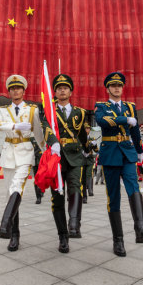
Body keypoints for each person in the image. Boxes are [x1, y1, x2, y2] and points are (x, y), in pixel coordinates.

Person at [0, 74, 57, 252]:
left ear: (23, 90)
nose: (15, 91)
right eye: (12, 88)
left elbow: (39, 134)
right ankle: (15, 235)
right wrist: (14, 126)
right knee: (10, 193)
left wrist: (46, 152)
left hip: (26, 152)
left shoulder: (32, 109)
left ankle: (5, 225)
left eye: (18, 88)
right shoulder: (3, 110)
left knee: (18, 186)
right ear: (9, 91)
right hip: (9, 152)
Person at [95, 72, 143, 257]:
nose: (116, 88)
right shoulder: (101, 106)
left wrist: (139, 149)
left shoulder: (130, 106)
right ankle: (118, 240)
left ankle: (141, 229)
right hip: (110, 153)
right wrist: (124, 119)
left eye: (119, 85)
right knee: (113, 196)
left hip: (128, 152)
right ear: (108, 88)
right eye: (113, 86)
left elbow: (135, 130)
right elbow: (102, 121)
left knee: (133, 187)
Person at [40, 74, 88, 250]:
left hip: (75, 156)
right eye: (59, 88)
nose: (62, 90)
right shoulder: (48, 112)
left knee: (76, 188)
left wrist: (89, 149)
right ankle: (62, 236)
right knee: (57, 199)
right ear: (55, 91)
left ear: (71, 91)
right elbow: (45, 128)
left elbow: (82, 135)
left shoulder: (81, 113)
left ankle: (74, 225)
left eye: (65, 87)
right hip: (56, 158)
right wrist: (53, 143)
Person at [82, 123, 98, 203]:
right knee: (83, 176)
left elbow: (96, 150)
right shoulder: (81, 138)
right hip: (82, 159)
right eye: (86, 128)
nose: (87, 130)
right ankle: (84, 191)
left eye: (88, 128)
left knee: (89, 174)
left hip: (90, 159)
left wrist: (94, 145)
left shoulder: (92, 138)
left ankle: (90, 190)